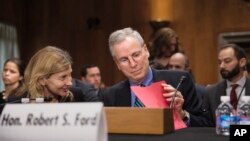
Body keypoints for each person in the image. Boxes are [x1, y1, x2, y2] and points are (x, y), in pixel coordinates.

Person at [99, 27, 205, 126]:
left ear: (146, 50)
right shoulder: (110, 96)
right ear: (117, 64)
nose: (133, 64)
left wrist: (182, 114)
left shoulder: (180, 81)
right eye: (124, 60)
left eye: (136, 55)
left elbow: (204, 124)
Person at [17, 46, 98, 103]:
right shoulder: (18, 103)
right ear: (42, 80)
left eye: (70, 75)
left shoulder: (76, 96)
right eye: (63, 77)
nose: (70, 82)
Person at [204, 44, 250, 126]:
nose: (221, 66)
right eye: (219, 62)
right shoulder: (210, 92)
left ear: (242, 62)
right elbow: (205, 123)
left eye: (227, 61)